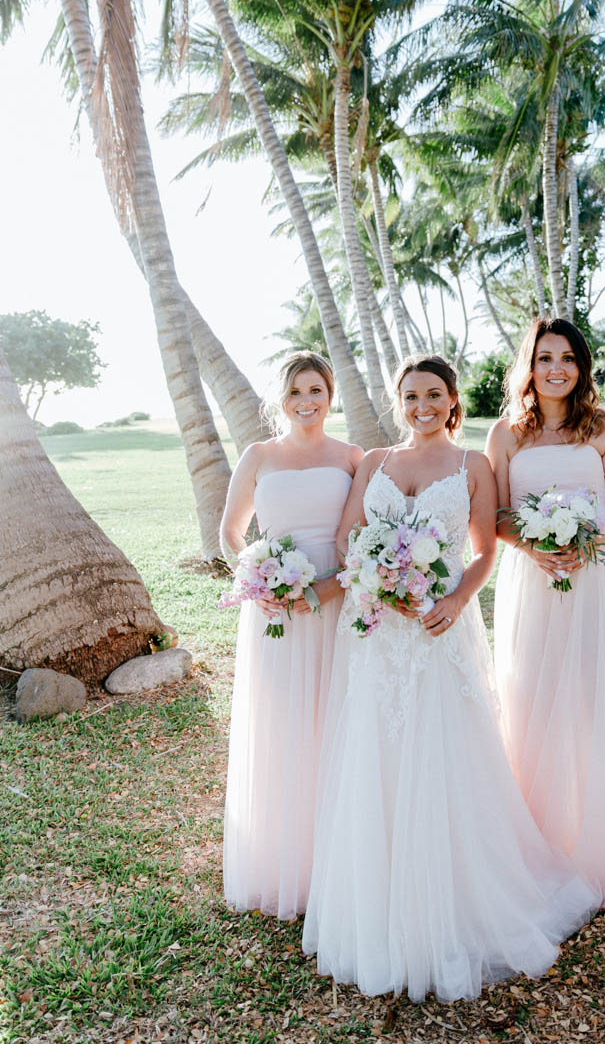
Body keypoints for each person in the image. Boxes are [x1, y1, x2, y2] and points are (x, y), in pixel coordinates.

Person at [302, 355, 596, 1002]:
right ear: (398, 400)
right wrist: (378, 577)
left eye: (434, 394)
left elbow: (487, 546)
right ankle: (380, 898)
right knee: (376, 751)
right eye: (411, 396)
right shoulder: (375, 461)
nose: (423, 405)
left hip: (440, 626)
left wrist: (455, 600)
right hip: (378, 630)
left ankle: (459, 895)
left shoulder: (472, 467)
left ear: (454, 401)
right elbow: (352, 536)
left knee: (444, 752)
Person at [487, 318, 605, 914]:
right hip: (533, 581)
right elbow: (499, 516)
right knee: (534, 697)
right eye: (545, 358)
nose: (557, 368)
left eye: (567, 358)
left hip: (598, 580)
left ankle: (604, 846)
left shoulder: (603, 425)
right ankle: (542, 845)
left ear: (581, 366)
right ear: (529, 366)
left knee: (600, 700)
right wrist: (538, 547)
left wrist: (589, 537)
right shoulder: (506, 434)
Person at [219, 351, 362, 919]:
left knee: (335, 715)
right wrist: (259, 577)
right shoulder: (258, 456)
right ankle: (287, 862)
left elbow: (362, 535)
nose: (308, 402)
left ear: (330, 395)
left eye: (317, 391)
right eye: (297, 392)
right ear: (281, 400)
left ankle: (340, 856)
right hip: (273, 608)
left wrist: (325, 587)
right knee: (283, 722)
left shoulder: (352, 457)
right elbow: (230, 532)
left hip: (336, 597)